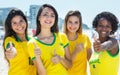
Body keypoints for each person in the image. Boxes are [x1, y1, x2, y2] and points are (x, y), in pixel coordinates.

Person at [27, 4, 72, 75]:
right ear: (39, 18)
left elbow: (70, 65)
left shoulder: (62, 37)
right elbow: (42, 74)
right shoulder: (32, 43)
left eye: (52, 15)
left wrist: (60, 59)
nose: (49, 18)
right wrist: (37, 58)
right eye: (45, 14)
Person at [3, 8, 46, 75]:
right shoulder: (10, 39)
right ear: (11, 26)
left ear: (25, 21)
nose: (19, 25)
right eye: (14, 23)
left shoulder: (33, 41)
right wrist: (11, 51)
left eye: (21, 21)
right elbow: (10, 46)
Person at [63, 10, 92, 75]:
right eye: (70, 22)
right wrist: (76, 52)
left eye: (76, 22)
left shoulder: (85, 38)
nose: (73, 25)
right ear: (66, 23)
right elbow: (64, 66)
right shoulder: (61, 39)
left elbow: (91, 60)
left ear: (79, 24)